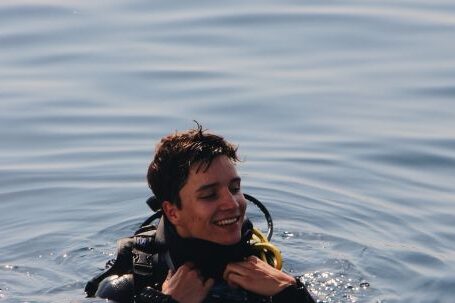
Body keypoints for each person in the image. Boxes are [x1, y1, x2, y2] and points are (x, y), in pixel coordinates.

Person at [85, 123, 315, 303]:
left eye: (235, 189)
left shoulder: (268, 271)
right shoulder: (129, 286)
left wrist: (292, 293)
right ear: (172, 212)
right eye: (209, 195)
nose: (233, 204)